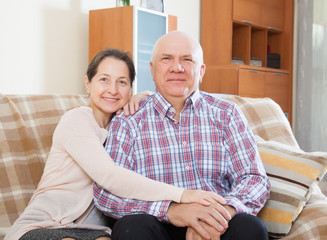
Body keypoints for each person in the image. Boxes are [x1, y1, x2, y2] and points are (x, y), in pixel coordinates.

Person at [5, 48, 223, 240]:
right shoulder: (77, 119)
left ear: (129, 89)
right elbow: (110, 176)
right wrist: (183, 195)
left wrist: (143, 97)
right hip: (44, 224)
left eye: (122, 82)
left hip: (92, 231)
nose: (113, 89)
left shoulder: (123, 127)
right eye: (103, 80)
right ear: (87, 84)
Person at [93, 32, 271, 240]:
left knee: (251, 228)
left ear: (201, 70)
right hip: (157, 223)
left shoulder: (227, 114)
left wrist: (218, 216)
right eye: (166, 59)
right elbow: (106, 194)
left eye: (187, 59)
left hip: (218, 223)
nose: (177, 68)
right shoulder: (128, 120)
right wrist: (171, 211)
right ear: (152, 69)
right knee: (131, 228)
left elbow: (254, 178)